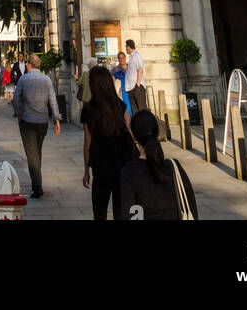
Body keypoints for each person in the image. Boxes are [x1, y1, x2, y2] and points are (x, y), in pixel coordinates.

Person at [121, 109, 198, 220]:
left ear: (134, 137)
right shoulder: (174, 167)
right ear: (157, 133)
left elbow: (129, 213)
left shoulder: (129, 173)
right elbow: (190, 207)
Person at [81, 65, 135, 220]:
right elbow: (130, 135)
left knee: (99, 212)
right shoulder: (120, 105)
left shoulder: (89, 110)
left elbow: (87, 144)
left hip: (100, 166)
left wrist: (86, 171)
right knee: (120, 210)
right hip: (121, 164)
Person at [11, 53, 61, 198]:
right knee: (37, 151)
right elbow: (53, 100)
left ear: (29, 65)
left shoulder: (23, 79)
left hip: (27, 121)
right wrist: (57, 119)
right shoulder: (46, 79)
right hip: (43, 121)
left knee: (32, 153)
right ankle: (36, 181)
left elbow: (16, 99)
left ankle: (37, 186)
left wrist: (19, 113)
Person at [124, 38, 147, 112]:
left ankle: (144, 123)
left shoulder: (136, 56)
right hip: (131, 88)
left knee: (141, 109)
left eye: (126, 47)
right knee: (135, 111)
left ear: (128, 47)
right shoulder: (131, 57)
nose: (126, 49)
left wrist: (138, 84)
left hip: (137, 87)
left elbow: (140, 69)